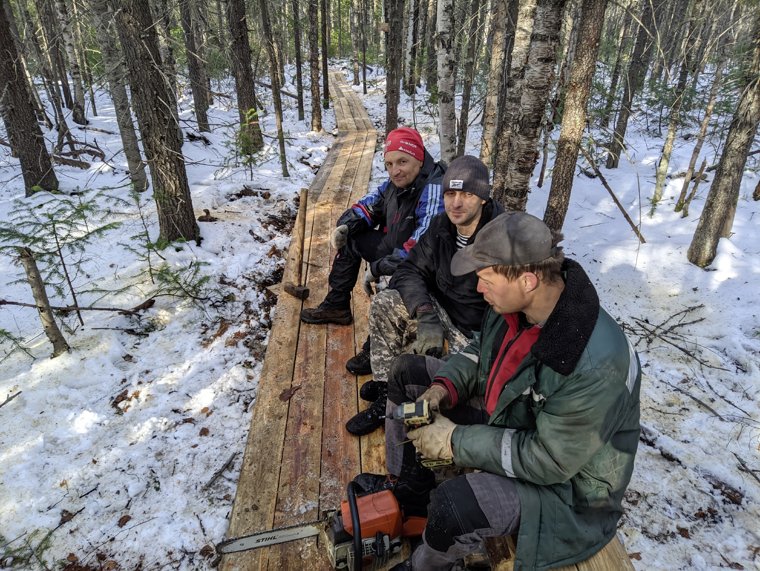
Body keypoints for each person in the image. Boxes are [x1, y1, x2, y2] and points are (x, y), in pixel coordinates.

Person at [355, 212, 641, 570]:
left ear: (527, 280)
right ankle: (408, 493)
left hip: (569, 492)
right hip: (514, 419)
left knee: (455, 506)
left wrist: (455, 440)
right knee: (408, 373)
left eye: (485, 278)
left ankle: (425, 565)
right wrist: (442, 389)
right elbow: (479, 351)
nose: (477, 288)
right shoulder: (515, 306)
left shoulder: (592, 363)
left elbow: (550, 461)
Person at [345, 156, 504, 436]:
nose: (456, 203)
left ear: (482, 197)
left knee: (429, 371)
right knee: (386, 301)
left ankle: (412, 390)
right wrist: (425, 313)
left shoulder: (500, 237)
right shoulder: (442, 226)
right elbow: (409, 270)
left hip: (477, 337)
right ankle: (387, 391)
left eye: (466, 194)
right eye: (450, 193)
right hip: (443, 311)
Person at [300, 127, 445, 334]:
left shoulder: (433, 189)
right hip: (397, 248)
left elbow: (422, 245)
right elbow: (369, 205)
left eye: (402, 162)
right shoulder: (396, 183)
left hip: (423, 266)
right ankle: (337, 305)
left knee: (392, 284)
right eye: (389, 164)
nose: (395, 171)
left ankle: (373, 348)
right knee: (352, 238)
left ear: (419, 159)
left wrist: (380, 267)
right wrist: (347, 225)